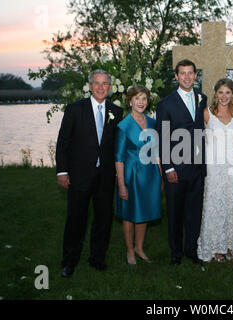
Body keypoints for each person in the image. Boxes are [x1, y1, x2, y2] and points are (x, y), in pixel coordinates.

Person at [56, 69, 123, 278]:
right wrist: (62, 171)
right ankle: (69, 262)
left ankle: (97, 259)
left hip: (105, 176)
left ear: (110, 87)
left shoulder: (116, 112)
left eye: (105, 83)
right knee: (76, 220)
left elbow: (115, 145)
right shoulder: (75, 109)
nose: (101, 87)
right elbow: (63, 142)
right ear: (90, 86)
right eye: (97, 83)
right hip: (79, 174)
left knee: (103, 220)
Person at [156, 59, 207, 265]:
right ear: (176, 77)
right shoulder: (165, 103)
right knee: (175, 213)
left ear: (195, 76)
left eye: (190, 73)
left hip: (197, 166)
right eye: (182, 73)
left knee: (194, 212)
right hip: (175, 167)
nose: (187, 77)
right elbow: (162, 136)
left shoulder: (202, 98)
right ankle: (176, 253)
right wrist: (168, 167)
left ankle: (191, 250)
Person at [197, 78, 233, 262]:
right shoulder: (206, 113)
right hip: (213, 167)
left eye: (228, 92)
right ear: (216, 93)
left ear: (232, 95)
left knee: (230, 204)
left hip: (231, 166)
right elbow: (197, 139)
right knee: (214, 205)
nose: (224, 96)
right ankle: (214, 247)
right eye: (221, 92)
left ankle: (228, 245)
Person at [115, 85, 162, 265]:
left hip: (150, 175)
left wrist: (160, 175)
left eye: (144, 98)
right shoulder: (123, 126)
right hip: (131, 175)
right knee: (129, 214)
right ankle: (129, 251)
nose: (141, 102)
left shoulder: (152, 122)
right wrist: (121, 184)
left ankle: (139, 248)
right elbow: (118, 158)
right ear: (129, 101)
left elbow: (156, 151)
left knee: (145, 212)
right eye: (137, 98)